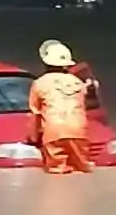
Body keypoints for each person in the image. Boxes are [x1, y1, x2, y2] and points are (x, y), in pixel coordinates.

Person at [28, 39, 92, 174]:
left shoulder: (39, 83)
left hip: (54, 132)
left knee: (56, 171)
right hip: (78, 131)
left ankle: (58, 194)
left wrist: (33, 138)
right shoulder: (78, 83)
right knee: (81, 169)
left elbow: (35, 113)